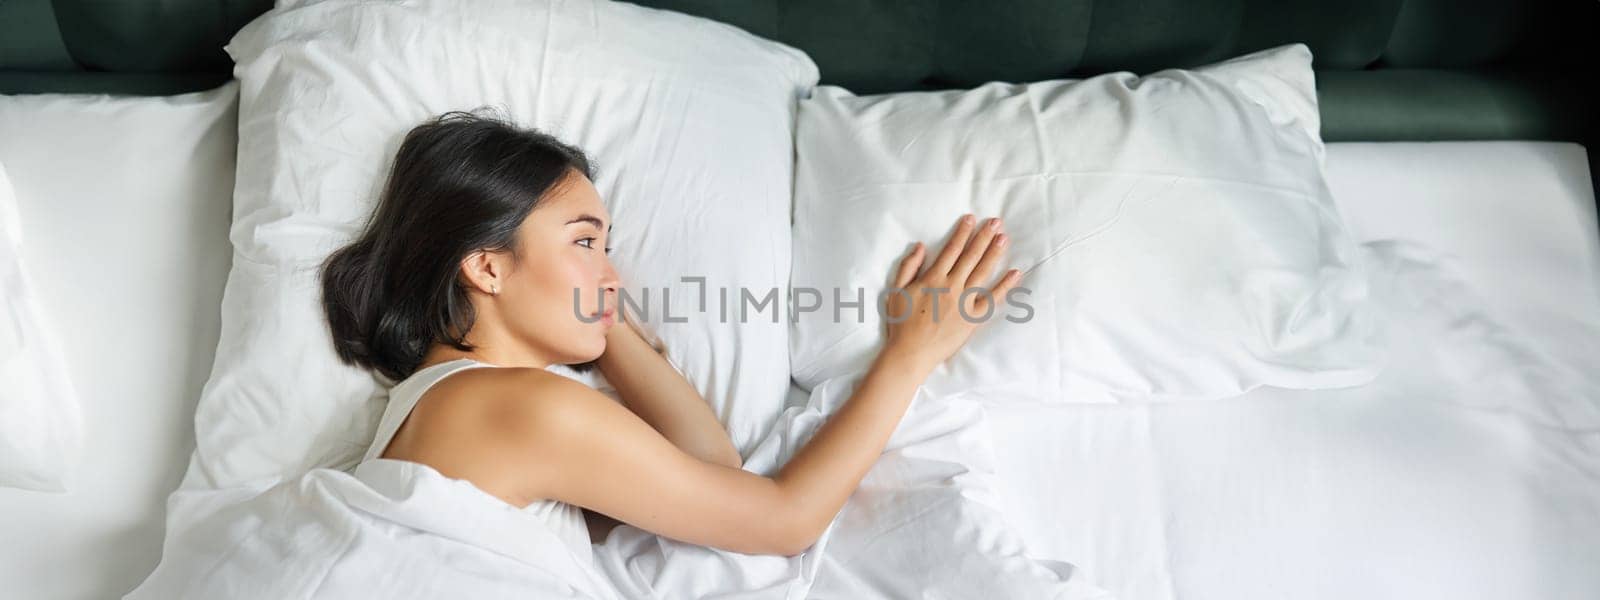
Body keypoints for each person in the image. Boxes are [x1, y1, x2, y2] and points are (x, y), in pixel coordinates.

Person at [319, 109, 1021, 558]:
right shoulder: (523, 407)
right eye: (586, 241)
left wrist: (602, 314)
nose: (612, 271)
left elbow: (709, 465)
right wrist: (909, 355)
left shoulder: (441, 401)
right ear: (486, 267)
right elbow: (780, 523)